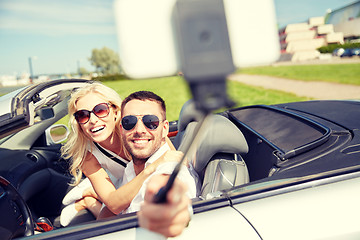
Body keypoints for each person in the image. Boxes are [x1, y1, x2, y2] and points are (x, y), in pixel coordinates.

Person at [59, 82, 179, 227]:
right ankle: (88, 199)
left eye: (100, 110)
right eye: (83, 115)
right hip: (120, 184)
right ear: (78, 123)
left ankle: (92, 194)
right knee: (104, 223)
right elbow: (114, 204)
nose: (93, 120)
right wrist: (152, 167)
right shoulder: (88, 156)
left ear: (116, 111)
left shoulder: (138, 129)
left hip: (131, 183)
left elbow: (173, 159)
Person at [118, 91, 196, 213]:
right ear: (121, 129)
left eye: (150, 122)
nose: (139, 130)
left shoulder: (170, 170)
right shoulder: (130, 169)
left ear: (165, 129)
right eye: (129, 122)